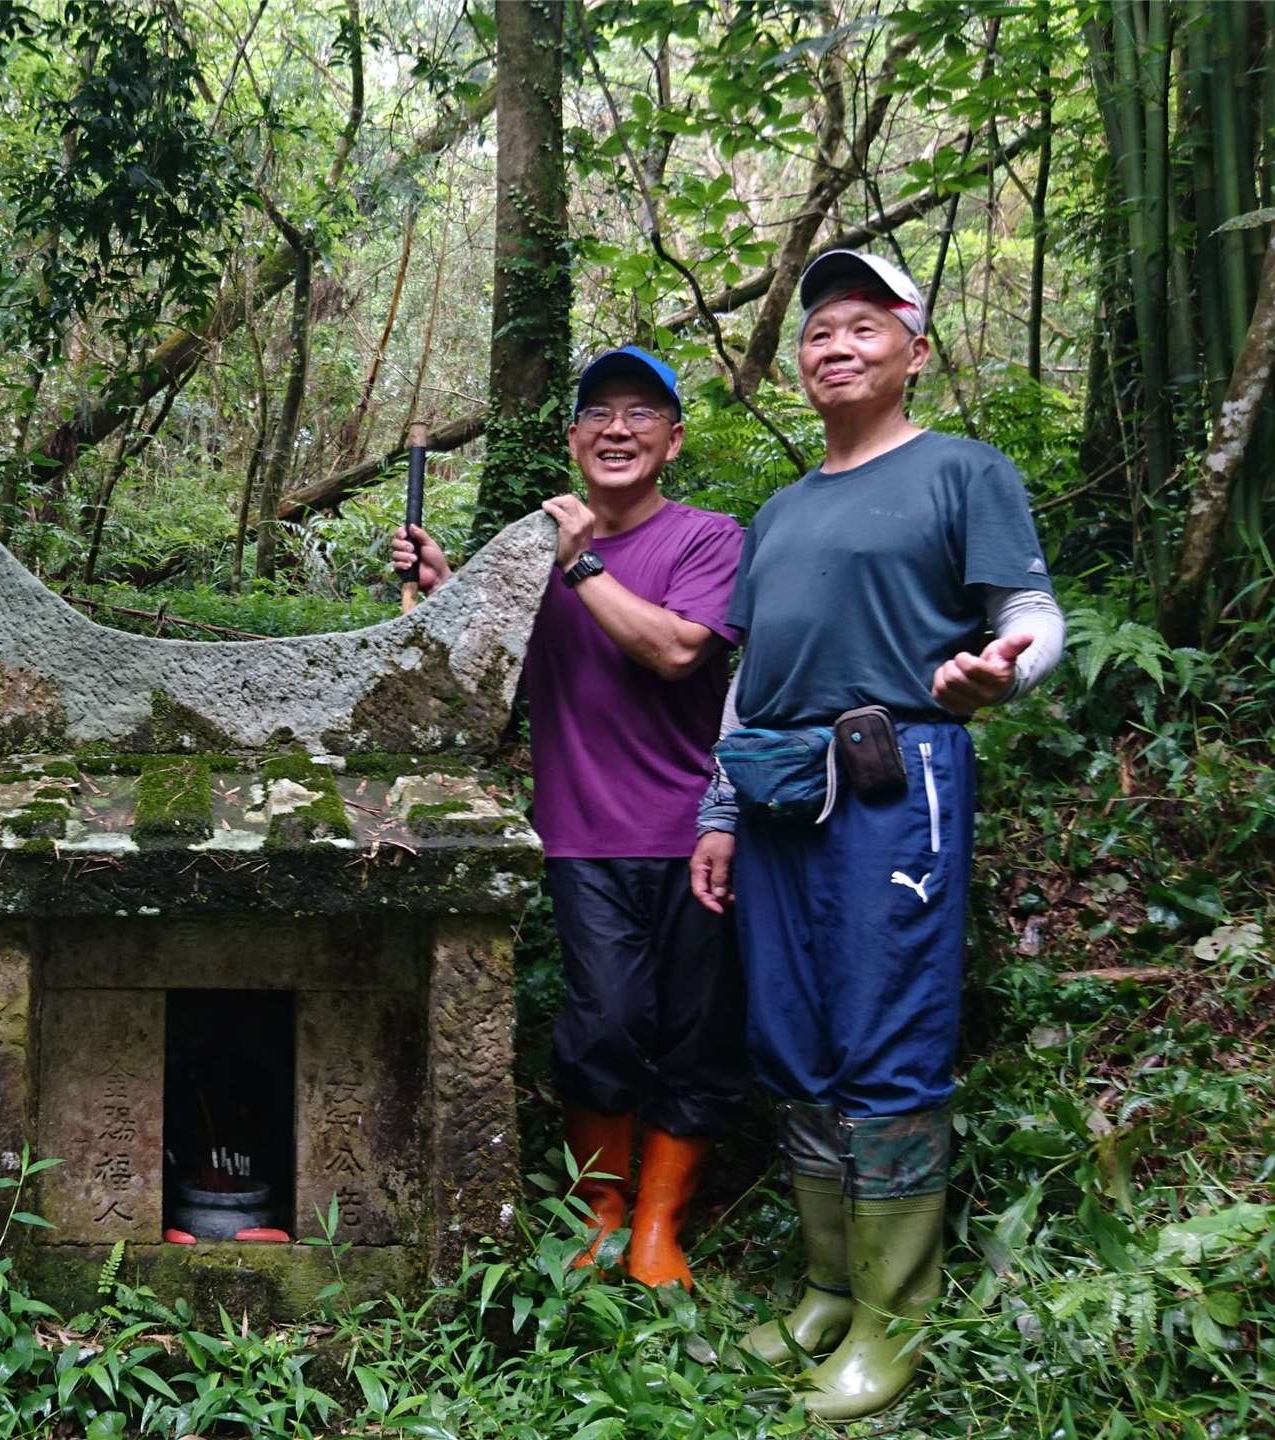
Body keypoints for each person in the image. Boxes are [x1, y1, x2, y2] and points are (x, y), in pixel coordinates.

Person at [690, 251, 1066, 1420]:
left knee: (886, 1030)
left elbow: (1030, 615)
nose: (834, 346)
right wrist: (716, 809)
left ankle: (892, 1318)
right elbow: (750, 676)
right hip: (776, 792)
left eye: (862, 325)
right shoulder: (780, 511)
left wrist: (1003, 673)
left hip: (897, 780)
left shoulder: (963, 471)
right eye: (817, 332)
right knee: (791, 1032)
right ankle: (826, 1289)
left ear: (915, 349)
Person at [392, 346, 746, 1288]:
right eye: (599, 414)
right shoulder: (531, 553)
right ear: (574, 437)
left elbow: (676, 651)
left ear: (673, 439)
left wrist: (578, 563)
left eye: (641, 414)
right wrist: (447, 589)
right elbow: (484, 675)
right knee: (606, 1021)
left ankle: (660, 1226)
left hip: (696, 833)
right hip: (581, 834)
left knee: (697, 1028)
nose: (617, 429)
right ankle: (603, 1209)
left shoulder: (708, 539)